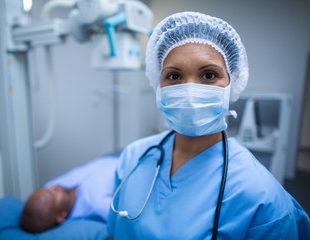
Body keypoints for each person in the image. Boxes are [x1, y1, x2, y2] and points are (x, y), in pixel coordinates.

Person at [107, 11, 310, 239]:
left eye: (209, 75)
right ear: (158, 86)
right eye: (174, 77)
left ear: (231, 84)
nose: (190, 92)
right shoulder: (134, 157)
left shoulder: (263, 199)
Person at [20, 154, 118, 233]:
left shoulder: (54, 185)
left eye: (46, 189)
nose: (53, 187)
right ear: (61, 217)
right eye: (52, 194)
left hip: (111, 157)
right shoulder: (96, 204)